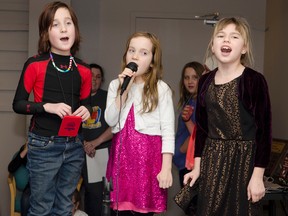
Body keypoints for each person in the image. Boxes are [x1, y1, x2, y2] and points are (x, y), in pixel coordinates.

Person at [184, 17, 272, 216]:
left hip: (245, 164)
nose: (226, 40)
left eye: (234, 37)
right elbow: (202, 130)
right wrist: (197, 168)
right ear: (213, 46)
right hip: (213, 162)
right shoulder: (205, 80)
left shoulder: (253, 80)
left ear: (244, 48)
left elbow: (264, 133)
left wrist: (258, 177)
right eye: (221, 36)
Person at [12, 1, 92, 215]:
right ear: (46, 33)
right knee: (41, 208)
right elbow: (18, 104)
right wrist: (46, 106)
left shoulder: (84, 69)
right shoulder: (34, 64)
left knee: (65, 206)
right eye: (56, 25)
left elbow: (86, 102)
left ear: (75, 28)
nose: (64, 28)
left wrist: (87, 110)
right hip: (43, 145)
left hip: (74, 144)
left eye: (68, 23)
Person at [104, 32, 175, 216]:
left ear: (152, 61)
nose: (135, 56)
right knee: (121, 211)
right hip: (122, 161)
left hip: (148, 164)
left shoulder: (161, 88)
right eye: (132, 50)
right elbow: (110, 120)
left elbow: (168, 131)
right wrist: (124, 91)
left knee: (144, 212)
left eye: (143, 53)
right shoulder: (115, 85)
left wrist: (166, 168)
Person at [82, 63, 113, 215]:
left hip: (102, 154)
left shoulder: (108, 98)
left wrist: (95, 143)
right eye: (91, 76)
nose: (94, 80)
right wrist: (84, 144)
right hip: (79, 153)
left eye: (98, 77)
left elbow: (116, 126)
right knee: (86, 197)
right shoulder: (76, 99)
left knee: (101, 198)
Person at [173, 61, 205, 188]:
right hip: (183, 163)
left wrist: (180, 150)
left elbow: (198, 134)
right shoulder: (190, 100)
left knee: (192, 206)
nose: (190, 81)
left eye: (195, 77)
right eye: (186, 77)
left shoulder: (202, 103)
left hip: (190, 164)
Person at [8, 140, 30, 216]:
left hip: (47, 186)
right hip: (31, 186)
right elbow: (11, 168)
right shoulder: (26, 150)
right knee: (26, 199)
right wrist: (26, 150)